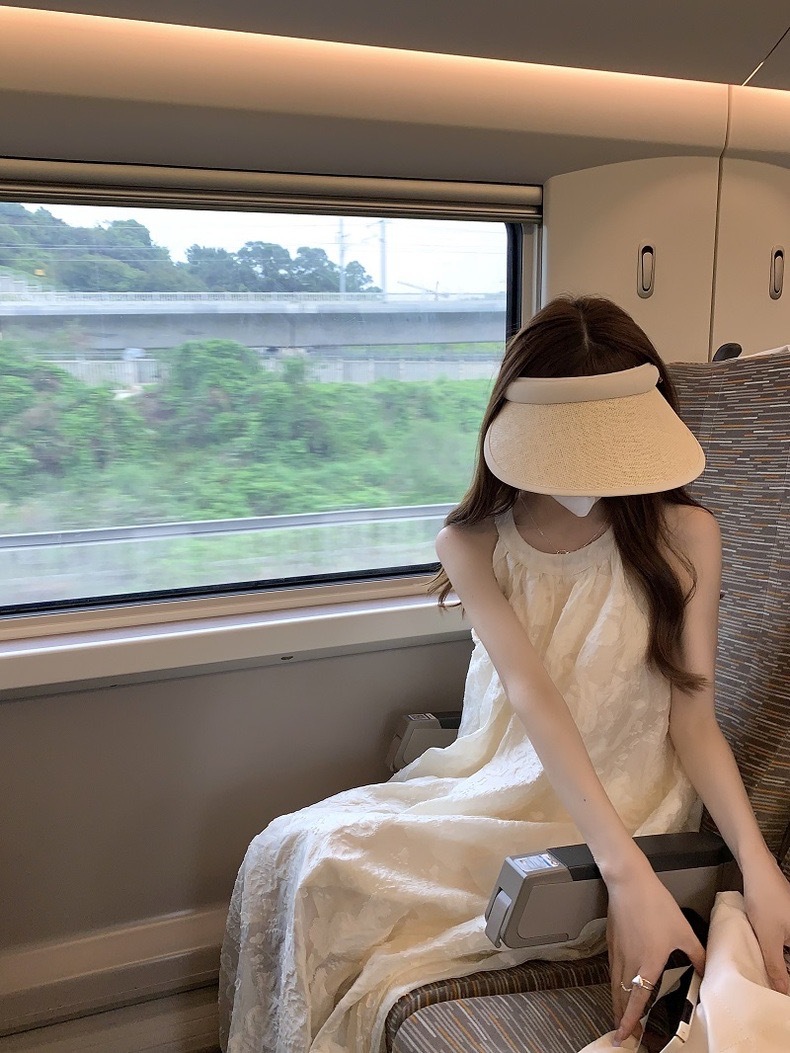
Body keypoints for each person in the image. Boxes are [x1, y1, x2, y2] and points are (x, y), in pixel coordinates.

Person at [219, 296, 790, 1053]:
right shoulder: (472, 544)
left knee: (332, 875)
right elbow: (533, 696)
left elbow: (693, 717)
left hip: (629, 809)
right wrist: (622, 874)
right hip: (500, 789)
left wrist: (757, 867)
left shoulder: (686, 534)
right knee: (290, 847)